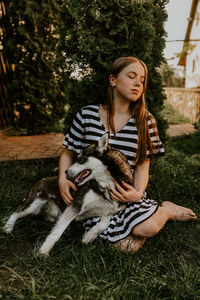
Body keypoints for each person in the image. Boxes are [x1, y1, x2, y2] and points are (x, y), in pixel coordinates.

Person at [58, 56, 197, 253]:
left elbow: (142, 166)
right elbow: (67, 153)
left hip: (127, 195)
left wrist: (137, 194)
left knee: (148, 228)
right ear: (112, 80)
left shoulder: (145, 121)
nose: (137, 83)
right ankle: (142, 220)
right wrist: (63, 179)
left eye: (141, 80)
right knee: (128, 247)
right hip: (95, 199)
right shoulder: (86, 115)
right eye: (131, 76)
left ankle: (167, 211)